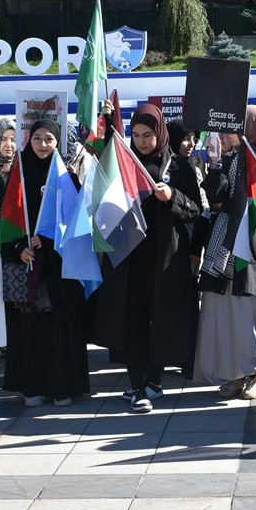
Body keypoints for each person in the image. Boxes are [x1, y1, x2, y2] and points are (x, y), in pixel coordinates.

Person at [92, 104, 202, 413]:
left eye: (148, 135)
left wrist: (173, 198)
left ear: (160, 133)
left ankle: (154, 379)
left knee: (162, 318)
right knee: (132, 319)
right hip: (129, 256)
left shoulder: (179, 167)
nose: (142, 142)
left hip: (165, 257)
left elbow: (195, 210)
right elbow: (104, 172)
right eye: (137, 135)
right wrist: (109, 119)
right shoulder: (123, 164)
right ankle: (136, 384)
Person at [2, 118, 89, 408]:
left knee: (59, 329)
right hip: (29, 271)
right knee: (30, 330)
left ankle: (62, 387)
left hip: (58, 271)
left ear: (58, 143)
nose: (42, 145)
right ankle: (33, 387)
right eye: (37, 138)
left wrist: (48, 240)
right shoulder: (18, 175)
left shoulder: (67, 178)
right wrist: (19, 247)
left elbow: (76, 227)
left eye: (49, 139)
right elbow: (5, 222)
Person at [193, 105, 256, 398]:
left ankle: (251, 368)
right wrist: (215, 163)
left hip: (253, 250)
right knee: (222, 308)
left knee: (247, 312)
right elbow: (216, 198)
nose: (228, 132)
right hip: (224, 248)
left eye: (237, 126)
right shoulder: (230, 159)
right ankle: (233, 372)